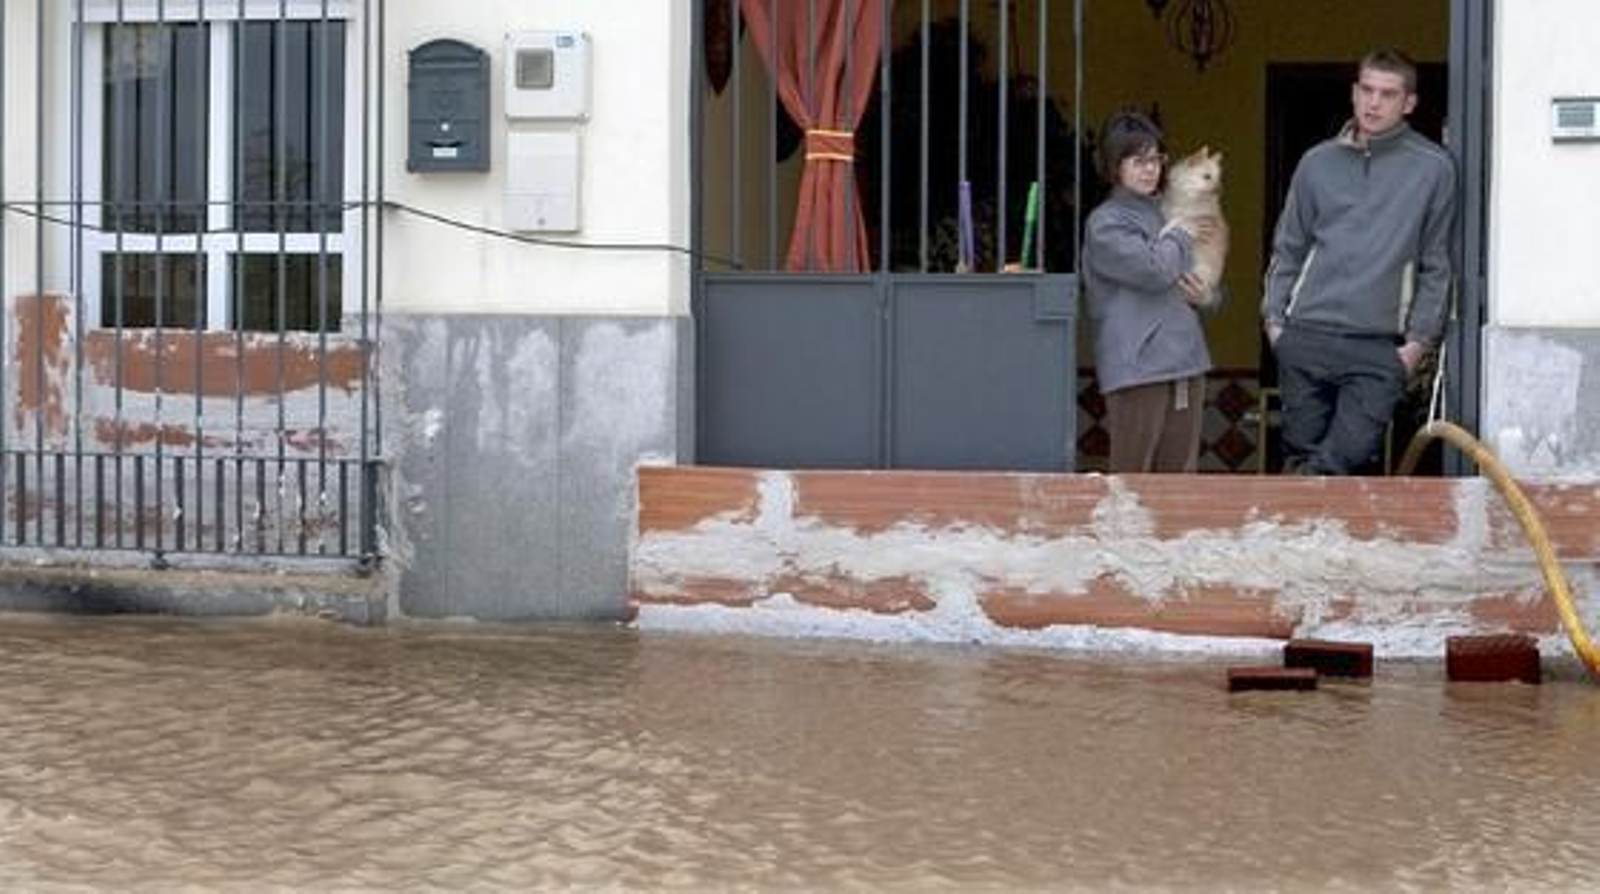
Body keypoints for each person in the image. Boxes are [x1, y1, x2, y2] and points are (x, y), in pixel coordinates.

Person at [1262, 48, 1456, 475]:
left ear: (1408, 103)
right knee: (1300, 455)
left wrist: (1417, 345)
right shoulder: (1316, 163)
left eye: (1387, 94)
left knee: (1342, 458)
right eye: (1366, 90)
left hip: (1379, 345)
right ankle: (1307, 539)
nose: (1373, 103)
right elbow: (1289, 247)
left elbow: (1436, 263)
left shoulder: (1433, 169)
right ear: (1353, 93)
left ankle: (1304, 527)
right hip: (1305, 334)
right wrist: (1276, 323)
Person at [1082, 110, 1216, 473]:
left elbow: (1208, 281)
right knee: (1132, 482)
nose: (1150, 169)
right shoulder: (1105, 223)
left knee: (1179, 484)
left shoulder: (1170, 212)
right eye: (1138, 161)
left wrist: (1206, 295)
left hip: (1186, 360)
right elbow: (1155, 271)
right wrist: (1179, 233)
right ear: (1114, 166)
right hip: (1138, 367)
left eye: (1156, 159)